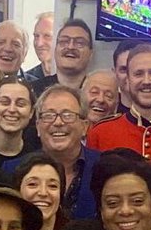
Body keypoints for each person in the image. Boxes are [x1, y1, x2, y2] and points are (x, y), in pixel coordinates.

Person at [20, 83, 100, 219]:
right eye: (49, 115)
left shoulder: (103, 167)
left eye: (67, 115)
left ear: (84, 127)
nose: (58, 122)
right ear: (38, 126)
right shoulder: (13, 169)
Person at [0, 76, 36, 166]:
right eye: (5, 102)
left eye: (20, 104)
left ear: (31, 112)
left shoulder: (35, 155)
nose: (12, 109)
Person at [48, 17, 96, 91]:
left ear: (90, 53)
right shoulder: (34, 91)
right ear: (55, 49)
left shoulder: (97, 94)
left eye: (79, 43)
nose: (70, 47)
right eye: (64, 41)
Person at [24, 11, 56, 85]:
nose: (39, 43)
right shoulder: (27, 83)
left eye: (47, 36)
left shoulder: (72, 80)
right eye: (36, 36)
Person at [112, 39, 141, 113]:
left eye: (136, 70)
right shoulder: (106, 112)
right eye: (124, 69)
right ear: (115, 73)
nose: (129, 75)